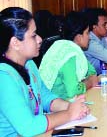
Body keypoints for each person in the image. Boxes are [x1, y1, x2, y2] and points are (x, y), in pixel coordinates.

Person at [0, 7, 89, 136]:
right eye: (33, 35)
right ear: (15, 43)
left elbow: (45, 97)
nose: (40, 39)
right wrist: (69, 114)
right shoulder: (4, 78)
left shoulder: (29, 64)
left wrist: (71, 106)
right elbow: (28, 127)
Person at [39, 11, 98, 100]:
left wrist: (89, 80)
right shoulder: (68, 55)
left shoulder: (72, 50)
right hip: (55, 105)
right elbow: (73, 92)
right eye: (87, 33)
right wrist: (89, 83)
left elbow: (92, 72)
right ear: (78, 37)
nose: (89, 37)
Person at [84, 8, 107, 74]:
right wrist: (105, 64)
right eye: (104, 24)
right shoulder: (89, 41)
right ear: (94, 26)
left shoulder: (102, 38)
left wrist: (104, 63)